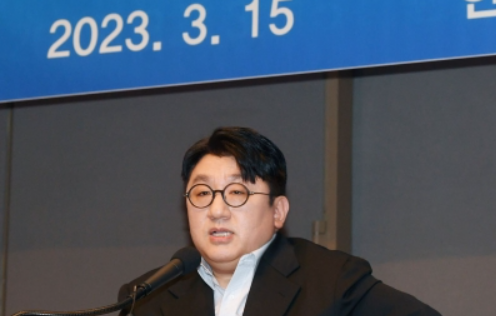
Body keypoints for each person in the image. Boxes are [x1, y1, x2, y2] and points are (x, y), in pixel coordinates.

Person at [119, 126, 441, 316]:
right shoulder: (147, 297)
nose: (217, 210)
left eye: (236, 192)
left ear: (278, 211)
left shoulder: (331, 282)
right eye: (202, 193)